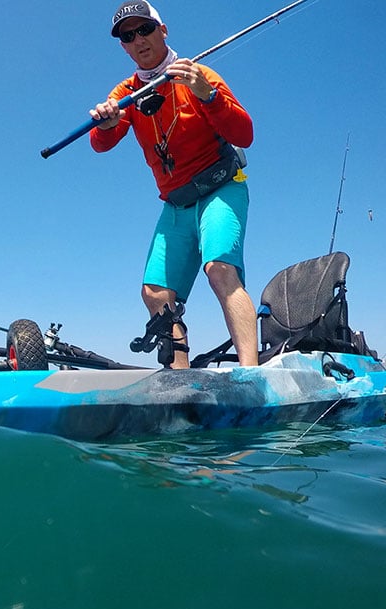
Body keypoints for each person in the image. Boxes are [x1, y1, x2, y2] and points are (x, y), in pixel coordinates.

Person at [90, 1, 258, 368]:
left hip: (221, 188)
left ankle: (252, 373)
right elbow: (102, 143)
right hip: (175, 205)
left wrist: (207, 96)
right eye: (127, 36)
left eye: (145, 29)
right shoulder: (126, 93)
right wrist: (104, 125)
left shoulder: (200, 75)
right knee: (154, 292)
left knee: (220, 269)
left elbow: (245, 134)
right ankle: (180, 381)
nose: (138, 40)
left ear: (163, 31)